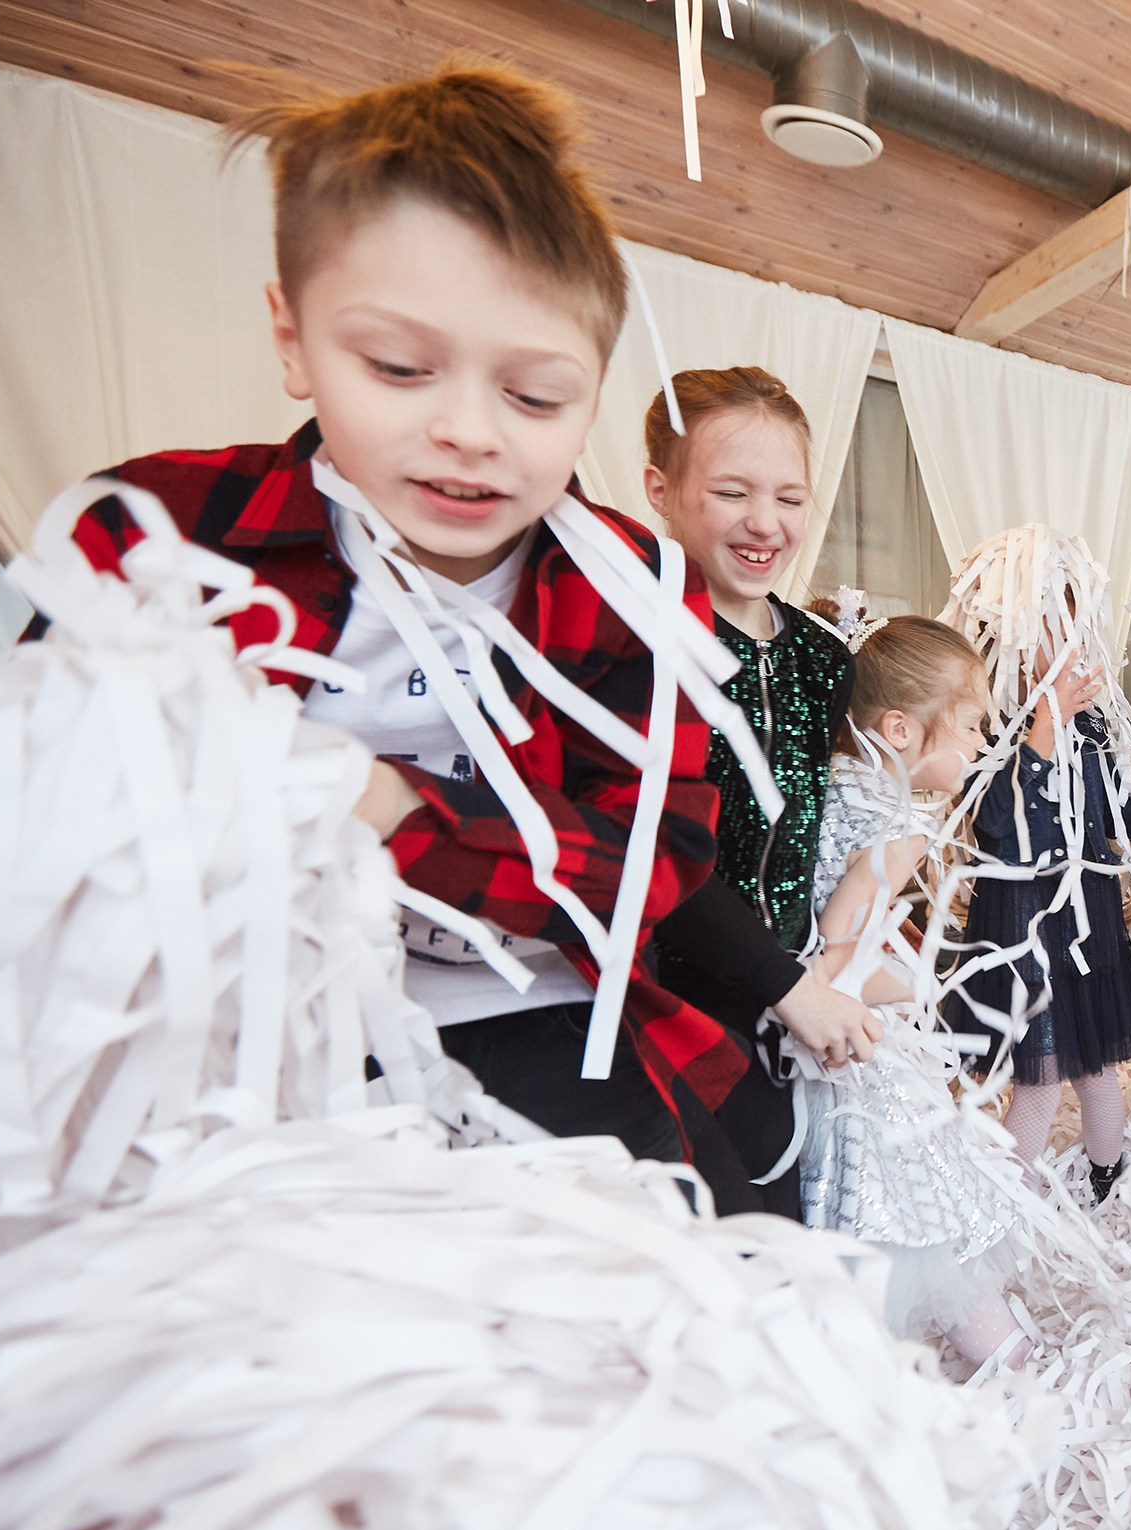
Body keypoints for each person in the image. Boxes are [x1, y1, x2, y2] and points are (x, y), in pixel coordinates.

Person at [53, 68, 775, 1202]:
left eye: (536, 396)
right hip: (244, 1032)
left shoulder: (637, 584)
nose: (467, 432)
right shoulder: (155, 533)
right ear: (293, 341)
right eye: (398, 368)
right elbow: (48, 828)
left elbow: (655, 861)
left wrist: (386, 807)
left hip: (535, 1009)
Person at [641, 367, 874, 1217]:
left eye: (791, 498)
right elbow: (658, 852)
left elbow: (817, 832)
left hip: (789, 981)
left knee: (794, 1199)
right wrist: (786, 983)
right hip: (671, 987)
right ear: (661, 490)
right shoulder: (642, 640)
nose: (765, 524)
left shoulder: (823, 659)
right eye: (732, 492)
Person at [942, 530, 1131, 1204]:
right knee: (1038, 1079)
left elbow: (1115, 813)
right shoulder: (983, 729)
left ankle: (1107, 1179)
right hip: (1025, 929)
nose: (1069, 642)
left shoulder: (1093, 727)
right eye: (1049, 627)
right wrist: (1041, 730)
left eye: (1075, 625)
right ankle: (1005, 1209)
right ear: (1005, 636)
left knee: (1098, 1067)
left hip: (1089, 919)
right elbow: (1000, 826)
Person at [789, 616, 1026, 1370]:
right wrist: (923, 985)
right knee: (924, 1216)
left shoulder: (834, 787)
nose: (982, 743)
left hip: (815, 1045)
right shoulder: (899, 820)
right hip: (862, 1050)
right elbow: (841, 952)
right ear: (899, 729)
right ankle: (1006, 1375)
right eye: (970, 725)